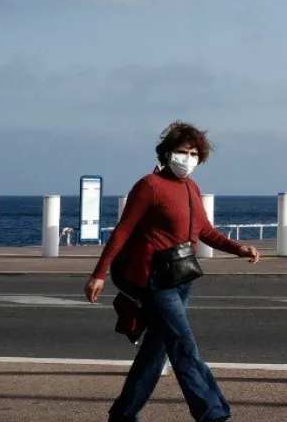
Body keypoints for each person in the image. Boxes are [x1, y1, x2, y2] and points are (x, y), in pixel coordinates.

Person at [83, 121, 260, 422]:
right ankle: (213, 414)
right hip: (155, 279)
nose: (188, 158)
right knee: (183, 347)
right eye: (182, 151)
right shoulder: (149, 186)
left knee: (156, 351)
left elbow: (205, 230)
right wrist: (98, 273)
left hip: (182, 277)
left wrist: (238, 248)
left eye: (194, 154)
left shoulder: (191, 187)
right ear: (167, 153)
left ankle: (124, 415)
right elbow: (123, 231)